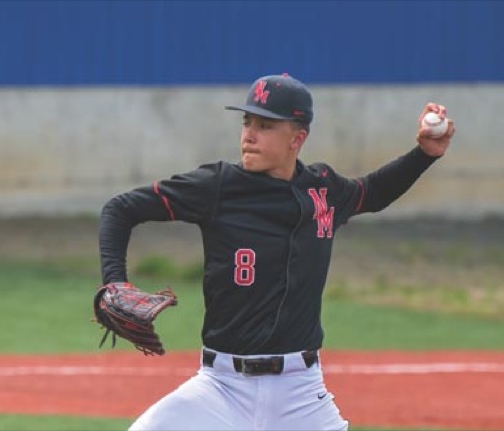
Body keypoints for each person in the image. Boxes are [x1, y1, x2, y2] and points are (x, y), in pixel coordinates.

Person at [99, 73, 455, 431]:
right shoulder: (218, 186)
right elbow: (121, 208)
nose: (249, 135)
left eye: (265, 125)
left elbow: (372, 192)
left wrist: (424, 154)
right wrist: (115, 282)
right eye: (247, 121)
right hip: (220, 389)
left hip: (301, 395)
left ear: (297, 139)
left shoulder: (323, 190)